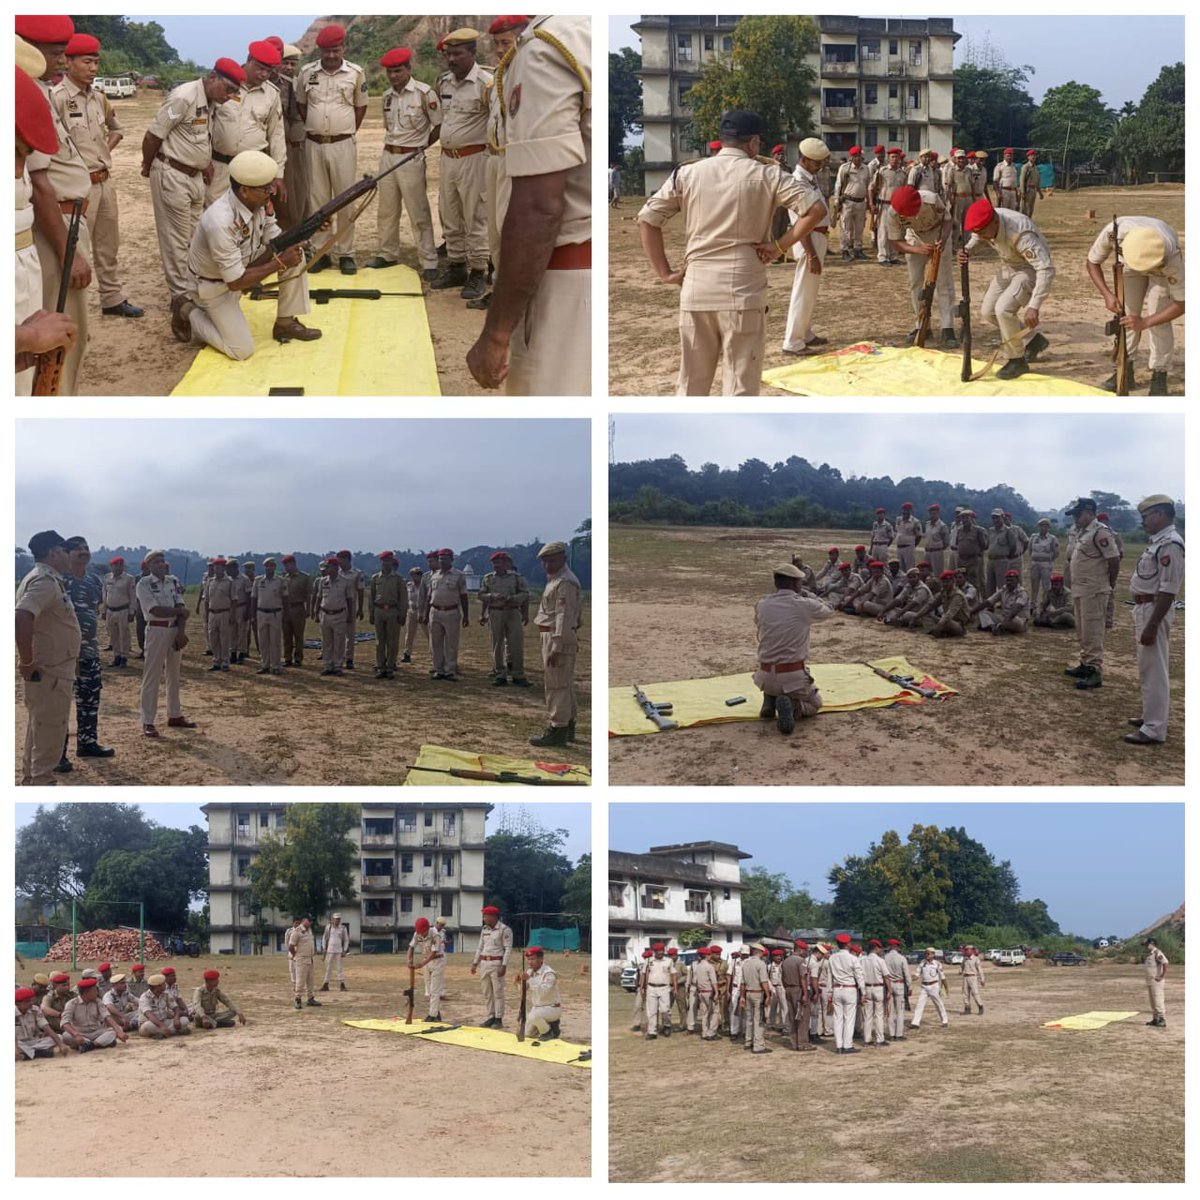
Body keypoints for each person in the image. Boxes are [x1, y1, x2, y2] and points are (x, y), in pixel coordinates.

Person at [638, 113, 821, 394]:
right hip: (743, 291)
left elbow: (648, 220)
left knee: (690, 386)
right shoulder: (768, 173)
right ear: (754, 143)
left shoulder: (688, 172)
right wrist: (779, 246)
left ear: (723, 142)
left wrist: (665, 273)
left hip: (696, 289)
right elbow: (815, 210)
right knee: (740, 387)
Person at [469, 15, 591, 392]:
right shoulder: (584, 30)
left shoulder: (544, 48)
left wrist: (497, 331)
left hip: (559, 276)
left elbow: (539, 207)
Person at [19, 16, 97, 397]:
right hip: (53, 228)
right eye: (54, 54)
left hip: (64, 220)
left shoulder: (37, 89)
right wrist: (70, 252)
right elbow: (39, 184)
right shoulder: (22, 93)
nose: (63, 62)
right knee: (58, 335)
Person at [175, 149, 318, 355]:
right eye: (266, 188)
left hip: (242, 270)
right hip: (214, 287)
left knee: (295, 255)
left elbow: (276, 238)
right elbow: (234, 283)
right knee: (241, 350)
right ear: (244, 190)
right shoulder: (220, 221)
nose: (272, 192)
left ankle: (285, 323)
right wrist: (279, 263)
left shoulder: (257, 202)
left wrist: (310, 230)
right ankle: (186, 310)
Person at [52, 32, 141, 319]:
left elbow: (117, 129)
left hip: (104, 181)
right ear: (68, 62)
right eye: (87, 62)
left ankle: (112, 299)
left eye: (96, 62)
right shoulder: (58, 98)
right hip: (76, 188)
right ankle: (69, 313)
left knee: (108, 245)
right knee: (75, 251)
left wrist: (106, 149)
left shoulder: (99, 98)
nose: (93, 68)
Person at [143, 61, 244, 301]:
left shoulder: (209, 101)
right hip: (172, 175)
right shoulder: (184, 96)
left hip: (194, 177)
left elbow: (196, 137)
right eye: (227, 89)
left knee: (195, 237)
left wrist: (204, 162)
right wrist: (149, 165)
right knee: (176, 243)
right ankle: (181, 299)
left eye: (233, 93)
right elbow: (153, 135)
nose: (229, 97)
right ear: (212, 77)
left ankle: (192, 290)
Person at [1085, 218, 1185, 396]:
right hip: (1129, 265)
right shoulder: (1113, 233)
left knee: (1158, 318)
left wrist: (1146, 322)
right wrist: (1107, 295)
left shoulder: (1171, 255)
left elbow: (1182, 303)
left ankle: (1159, 374)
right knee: (1127, 316)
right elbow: (1092, 262)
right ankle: (1125, 368)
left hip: (1160, 269)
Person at [959, 196, 1054, 380]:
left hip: (1029, 268)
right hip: (1009, 265)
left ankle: (1016, 360)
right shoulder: (988, 222)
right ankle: (1032, 340)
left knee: (1003, 309)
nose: (985, 238)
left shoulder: (1020, 232)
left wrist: (1034, 306)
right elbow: (977, 235)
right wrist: (968, 250)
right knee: (988, 311)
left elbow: (1046, 268)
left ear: (995, 221)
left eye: (986, 233)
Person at [297, 24, 367, 274]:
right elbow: (302, 105)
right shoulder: (306, 73)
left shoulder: (356, 73)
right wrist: (318, 129)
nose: (330, 55)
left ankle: (345, 252)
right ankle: (319, 251)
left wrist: (342, 130)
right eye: (326, 51)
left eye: (335, 50)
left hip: (342, 145)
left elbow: (360, 107)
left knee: (345, 198)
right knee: (318, 200)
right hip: (314, 144)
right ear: (320, 50)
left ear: (343, 48)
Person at [366, 48, 440, 278]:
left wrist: (421, 147)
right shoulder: (387, 96)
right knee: (386, 210)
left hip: (411, 158)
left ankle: (428, 261)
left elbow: (438, 125)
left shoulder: (423, 93)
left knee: (418, 210)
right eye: (390, 72)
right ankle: (387, 254)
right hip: (388, 155)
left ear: (409, 69)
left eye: (398, 71)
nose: (394, 76)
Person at [431, 28, 492, 299]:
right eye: (449, 54)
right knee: (449, 213)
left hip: (475, 159)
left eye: (457, 53)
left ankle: (478, 270)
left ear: (472, 53)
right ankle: (456, 265)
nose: (452, 59)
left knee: (476, 215)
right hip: (448, 159)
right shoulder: (444, 83)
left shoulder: (485, 84)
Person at [16, 530, 81, 786]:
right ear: (53, 553)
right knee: (50, 733)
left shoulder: (47, 579)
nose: (69, 555)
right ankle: (41, 783)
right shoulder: (44, 581)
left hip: (53, 670)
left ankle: (32, 781)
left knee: (38, 729)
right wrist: (27, 662)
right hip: (49, 673)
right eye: (65, 551)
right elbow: (22, 616)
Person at [1125, 495, 1184, 746]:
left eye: (1146, 516)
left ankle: (1154, 728)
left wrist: (1152, 625)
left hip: (1153, 610)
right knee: (1147, 668)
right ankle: (1150, 716)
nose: (1143, 522)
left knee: (1155, 670)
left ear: (1160, 514)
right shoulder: (1158, 542)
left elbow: (1169, 590)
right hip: (1145, 607)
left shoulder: (1170, 544)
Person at [752, 563, 835, 736]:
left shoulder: (762, 604)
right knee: (816, 704)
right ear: (794, 584)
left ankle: (769, 700)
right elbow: (829, 610)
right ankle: (794, 707)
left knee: (774, 667)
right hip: (792, 677)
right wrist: (809, 594)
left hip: (764, 676)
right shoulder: (803, 604)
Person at [56, 536, 113, 770]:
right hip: (63, 653)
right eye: (77, 549)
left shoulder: (94, 581)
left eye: (86, 548)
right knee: (59, 704)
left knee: (90, 700)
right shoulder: (59, 581)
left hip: (89, 651)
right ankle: (57, 754)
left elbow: (94, 609)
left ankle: (87, 743)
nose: (83, 551)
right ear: (66, 554)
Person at [206, 41, 285, 206]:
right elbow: (203, 125)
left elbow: (276, 134)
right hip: (220, 166)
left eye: (269, 71)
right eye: (260, 68)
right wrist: (203, 161)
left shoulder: (272, 94)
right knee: (214, 214)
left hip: (253, 169)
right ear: (249, 60)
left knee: (249, 217)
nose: (264, 74)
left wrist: (278, 173)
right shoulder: (224, 85)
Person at [887, 184, 957, 347]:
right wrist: (916, 249)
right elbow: (895, 241)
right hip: (914, 238)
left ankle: (947, 328)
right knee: (915, 283)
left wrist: (944, 240)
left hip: (937, 234)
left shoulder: (932, 200)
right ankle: (922, 325)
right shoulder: (892, 213)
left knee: (944, 282)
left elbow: (947, 221)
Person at [136, 550, 195, 737]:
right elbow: (155, 610)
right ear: (148, 566)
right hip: (156, 630)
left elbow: (182, 607)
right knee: (152, 675)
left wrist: (181, 632)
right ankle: (148, 721)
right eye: (156, 562)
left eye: (162, 561)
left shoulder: (173, 581)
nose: (161, 564)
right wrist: (180, 613)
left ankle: (175, 714)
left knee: (174, 674)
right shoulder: (143, 584)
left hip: (174, 630)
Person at [1063, 497, 1120, 691]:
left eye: (1078, 514)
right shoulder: (1082, 533)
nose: (1075, 519)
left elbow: (1113, 559)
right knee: (1083, 629)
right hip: (1081, 589)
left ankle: (1094, 671)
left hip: (1094, 590)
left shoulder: (1100, 532)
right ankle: (1085, 664)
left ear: (1089, 512)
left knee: (1093, 630)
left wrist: (1110, 583)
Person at [530, 541, 582, 747]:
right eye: (545, 561)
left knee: (556, 684)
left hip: (557, 636)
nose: (548, 565)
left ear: (563, 558)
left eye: (552, 560)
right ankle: (567, 725)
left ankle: (557, 728)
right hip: (552, 634)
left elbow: (564, 616)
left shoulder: (565, 582)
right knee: (563, 683)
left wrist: (557, 646)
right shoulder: (556, 580)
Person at [479, 551, 530, 687]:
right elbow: (481, 594)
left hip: (512, 612)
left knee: (516, 644)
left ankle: (518, 674)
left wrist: (513, 599)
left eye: (498, 563)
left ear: (505, 563)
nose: (496, 566)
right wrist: (492, 596)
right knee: (497, 643)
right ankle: (500, 673)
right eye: (494, 563)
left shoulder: (516, 578)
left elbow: (525, 594)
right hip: (495, 612)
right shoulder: (488, 578)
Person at [423, 548, 469, 682]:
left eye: (446, 559)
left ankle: (450, 670)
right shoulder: (433, 575)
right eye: (441, 559)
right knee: (435, 642)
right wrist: (426, 614)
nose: (443, 561)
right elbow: (429, 596)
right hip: (435, 611)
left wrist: (465, 615)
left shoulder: (459, 575)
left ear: (451, 560)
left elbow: (464, 596)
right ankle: (438, 670)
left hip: (451, 612)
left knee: (451, 643)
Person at [310, 556, 356, 677]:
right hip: (325, 613)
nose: (326, 569)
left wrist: (350, 615)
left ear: (336, 567)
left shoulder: (345, 582)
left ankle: (337, 666)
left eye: (329, 567)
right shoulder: (322, 581)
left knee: (339, 642)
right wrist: (316, 612)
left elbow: (350, 599)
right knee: (326, 642)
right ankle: (327, 665)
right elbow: (319, 597)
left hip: (339, 614)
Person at [471, 905, 513, 1028]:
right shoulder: (484, 930)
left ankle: (498, 1018)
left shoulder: (504, 929)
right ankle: (491, 1016)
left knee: (498, 992)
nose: (484, 918)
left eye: (486, 916)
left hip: (496, 963)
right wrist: (475, 963)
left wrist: (504, 965)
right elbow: (480, 947)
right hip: (484, 963)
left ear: (493, 917)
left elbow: (508, 949)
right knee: (487, 992)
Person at [369, 551, 408, 679]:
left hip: (392, 611)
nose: (386, 563)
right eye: (384, 561)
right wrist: (371, 613)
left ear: (392, 562)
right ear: (381, 562)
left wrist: (402, 614)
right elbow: (371, 597)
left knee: (392, 641)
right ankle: (381, 667)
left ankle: (390, 667)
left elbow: (403, 599)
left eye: (389, 561)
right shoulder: (375, 578)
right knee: (380, 641)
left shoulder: (398, 579)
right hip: (379, 610)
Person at [61, 976, 126, 1050]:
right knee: (66, 1036)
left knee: (117, 1029)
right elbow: (65, 1022)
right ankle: (97, 1043)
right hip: (80, 1033)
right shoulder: (72, 1004)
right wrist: (76, 1034)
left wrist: (119, 1031)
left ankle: (90, 1045)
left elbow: (107, 1016)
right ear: (86, 992)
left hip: (96, 1032)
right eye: (95, 991)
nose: (97, 993)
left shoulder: (98, 1001)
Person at [869, 146, 905, 265]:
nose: (895, 159)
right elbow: (871, 188)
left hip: (897, 206)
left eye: (897, 157)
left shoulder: (902, 173)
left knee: (895, 231)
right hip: (884, 204)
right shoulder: (882, 171)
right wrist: (871, 203)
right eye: (892, 157)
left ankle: (893, 255)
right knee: (883, 231)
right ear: (888, 159)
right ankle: (883, 256)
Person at [250, 557, 286, 674]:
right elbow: (254, 598)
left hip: (275, 613)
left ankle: (276, 666)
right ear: (264, 567)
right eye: (267, 566)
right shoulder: (258, 580)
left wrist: (284, 613)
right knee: (263, 641)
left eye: (271, 566)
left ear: (274, 567)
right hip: (261, 613)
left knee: (275, 641)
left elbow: (285, 598)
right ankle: (264, 665)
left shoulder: (280, 581)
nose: (269, 568)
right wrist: (252, 615)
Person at [834, 145, 870, 260]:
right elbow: (838, 185)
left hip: (861, 202)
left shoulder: (866, 168)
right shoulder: (845, 168)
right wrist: (836, 200)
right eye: (855, 156)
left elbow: (868, 185)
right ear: (851, 157)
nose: (858, 159)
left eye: (859, 156)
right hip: (848, 201)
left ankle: (857, 249)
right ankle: (845, 250)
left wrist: (869, 202)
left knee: (860, 227)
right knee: (846, 227)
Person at [519, 947, 562, 1040]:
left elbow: (543, 992)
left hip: (552, 1008)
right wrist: (520, 982)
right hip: (537, 1008)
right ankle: (548, 1026)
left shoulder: (549, 974)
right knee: (528, 1033)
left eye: (533, 959)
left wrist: (529, 980)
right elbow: (523, 991)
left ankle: (548, 1031)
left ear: (541, 959)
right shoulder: (530, 972)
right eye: (528, 959)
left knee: (533, 1017)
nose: (530, 962)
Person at [101, 556, 137, 667]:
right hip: (111, 610)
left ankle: (124, 657)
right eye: (115, 565)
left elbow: (132, 596)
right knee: (113, 635)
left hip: (123, 610)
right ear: (111, 566)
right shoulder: (107, 578)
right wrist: (104, 610)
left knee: (124, 635)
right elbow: (105, 594)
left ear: (123, 566)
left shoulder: (128, 579)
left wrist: (132, 612)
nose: (117, 568)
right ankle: (116, 656)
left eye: (120, 565)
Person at [17, 986, 70, 1059]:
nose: (30, 1003)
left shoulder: (34, 1010)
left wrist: (61, 1045)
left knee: (59, 1037)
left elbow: (47, 1028)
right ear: (17, 1003)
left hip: (33, 1042)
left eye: (31, 1000)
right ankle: (37, 1053)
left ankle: (28, 1054)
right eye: (27, 1001)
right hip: (18, 1043)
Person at [738, 943, 772, 1054]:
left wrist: (742, 996)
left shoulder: (745, 964)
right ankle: (758, 1045)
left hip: (748, 993)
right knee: (759, 1020)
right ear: (760, 952)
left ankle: (748, 1041)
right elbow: (764, 982)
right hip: (758, 994)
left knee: (749, 1019)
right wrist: (768, 995)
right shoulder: (761, 964)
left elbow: (742, 983)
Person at [409, 916, 446, 1021]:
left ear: (427, 928)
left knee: (435, 990)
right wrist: (409, 960)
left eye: (423, 932)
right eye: (419, 932)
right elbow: (411, 947)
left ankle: (432, 1015)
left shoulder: (435, 935)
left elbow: (434, 953)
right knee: (429, 990)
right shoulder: (417, 933)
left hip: (437, 961)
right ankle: (436, 1012)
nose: (421, 935)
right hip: (426, 962)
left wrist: (421, 964)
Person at [972, 570, 1029, 634]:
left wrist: (1004, 622)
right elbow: (988, 602)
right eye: (1007, 580)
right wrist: (971, 612)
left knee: (1012, 619)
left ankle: (999, 627)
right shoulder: (1003, 590)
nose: (1009, 583)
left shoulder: (1022, 593)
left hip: (1018, 620)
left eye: (1011, 580)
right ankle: (993, 627)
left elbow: (1016, 608)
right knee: (982, 612)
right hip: (1004, 618)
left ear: (1017, 580)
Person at [640, 942, 677, 1040]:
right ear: (654, 952)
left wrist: (675, 988)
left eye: (661, 951)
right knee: (651, 1011)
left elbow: (673, 974)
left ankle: (667, 1026)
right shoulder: (648, 961)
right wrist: (641, 987)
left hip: (664, 988)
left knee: (665, 1010)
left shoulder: (669, 961)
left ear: (664, 951)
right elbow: (643, 974)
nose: (660, 953)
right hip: (651, 988)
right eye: (658, 951)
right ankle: (652, 1032)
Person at [204, 558, 236, 670]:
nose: (217, 570)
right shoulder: (210, 581)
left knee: (224, 638)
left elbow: (234, 600)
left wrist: (232, 615)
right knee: (213, 637)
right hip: (212, 612)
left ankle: (225, 661)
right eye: (215, 568)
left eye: (220, 568)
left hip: (225, 612)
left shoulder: (229, 582)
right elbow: (206, 600)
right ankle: (216, 660)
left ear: (224, 568)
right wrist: (206, 614)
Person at [280, 555, 312, 667]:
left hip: (298, 608)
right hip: (285, 609)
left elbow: (308, 595)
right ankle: (287, 658)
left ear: (293, 563)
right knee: (286, 635)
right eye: (284, 565)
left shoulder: (304, 577)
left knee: (298, 635)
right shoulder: (283, 577)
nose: (285, 567)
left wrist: (308, 609)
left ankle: (298, 658)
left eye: (287, 564)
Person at [910, 948, 948, 1030]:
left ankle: (945, 1021)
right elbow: (916, 975)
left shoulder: (937, 964)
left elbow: (942, 976)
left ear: (933, 955)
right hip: (924, 987)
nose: (926, 955)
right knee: (919, 1004)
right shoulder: (922, 963)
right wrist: (909, 979)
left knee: (939, 1004)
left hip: (934, 986)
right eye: (926, 954)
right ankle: (915, 1023)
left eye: (928, 954)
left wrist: (945, 987)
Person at [927, 570, 970, 638]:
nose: (945, 584)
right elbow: (931, 606)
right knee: (927, 615)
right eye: (943, 582)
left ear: (953, 581)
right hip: (946, 620)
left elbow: (950, 614)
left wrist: (939, 625)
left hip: (959, 625)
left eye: (947, 582)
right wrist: (918, 615)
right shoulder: (943, 592)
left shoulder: (957, 595)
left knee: (946, 622)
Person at [289, 916, 319, 1009]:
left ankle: (310, 998)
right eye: (308, 921)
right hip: (301, 959)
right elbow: (291, 946)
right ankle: (298, 999)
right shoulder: (297, 931)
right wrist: (295, 956)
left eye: (311, 922)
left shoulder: (309, 931)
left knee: (310, 980)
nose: (310, 923)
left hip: (309, 959)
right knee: (300, 980)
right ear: (303, 921)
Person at [1143, 937, 1169, 1027]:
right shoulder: (1149, 954)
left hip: (1156, 981)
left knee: (1158, 1000)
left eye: (1147, 944)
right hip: (1150, 981)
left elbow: (1165, 963)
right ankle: (1155, 1019)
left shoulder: (1157, 953)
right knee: (1152, 1001)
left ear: (1152, 944)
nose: (1145, 946)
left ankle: (1162, 1019)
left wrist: (1162, 976)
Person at [320, 913, 349, 992]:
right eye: (336, 919)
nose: (337, 920)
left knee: (339, 968)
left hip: (339, 951)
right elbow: (324, 938)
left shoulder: (343, 928)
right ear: (333, 919)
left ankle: (342, 984)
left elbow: (346, 940)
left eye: (339, 919)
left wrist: (344, 950)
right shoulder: (328, 927)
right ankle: (326, 984)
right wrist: (324, 948)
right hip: (330, 950)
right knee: (328, 968)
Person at [403, 566, 423, 663]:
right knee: (409, 634)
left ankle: (434, 655)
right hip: (411, 611)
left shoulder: (424, 585)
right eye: (413, 575)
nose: (415, 577)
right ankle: (407, 654)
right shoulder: (409, 585)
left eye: (417, 574)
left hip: (422, 611)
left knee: (429, 634)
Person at [960, 945, 985, 1014]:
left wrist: (982, 979)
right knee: (965, 994)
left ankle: (980, 1006)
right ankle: (967, 1008)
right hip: (965, 977)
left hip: (973, 977)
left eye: (968, 950)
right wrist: (960, 971)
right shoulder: (964, 959)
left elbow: (980, 970)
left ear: (972, 950)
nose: (966, 951)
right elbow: (962, 966)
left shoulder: (976, 959)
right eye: (966, 950)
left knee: (975, 993)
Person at [1019, 149, 1043, 218]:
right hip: (1027, 189)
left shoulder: (1035, 168)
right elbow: (1022, 180)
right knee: (1024, 209)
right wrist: (1023, 192)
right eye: (1032, 155)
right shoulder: (1026, 167)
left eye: (1034, 155)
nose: (1033, 157)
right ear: (1028, 157)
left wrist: (1040, 192)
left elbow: (1037, 181)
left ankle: (1029, 223)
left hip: (1033, 190)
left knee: (1030, 209)